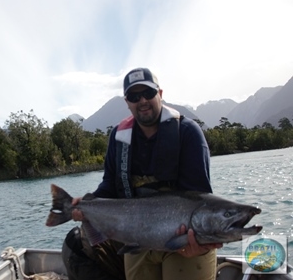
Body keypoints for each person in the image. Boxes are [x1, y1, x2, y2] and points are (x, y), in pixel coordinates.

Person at [67, 67, 222, 280]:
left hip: (185, 242)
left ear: (160, 94)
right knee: (74, 243)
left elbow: (200, 198)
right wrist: (87, 204)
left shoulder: (188, 133)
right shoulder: (118, 138)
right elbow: (110, 187)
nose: (142, 101)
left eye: (148, 93)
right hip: (136, 241)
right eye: (134, 96)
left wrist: (200, 243)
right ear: (127, 102)